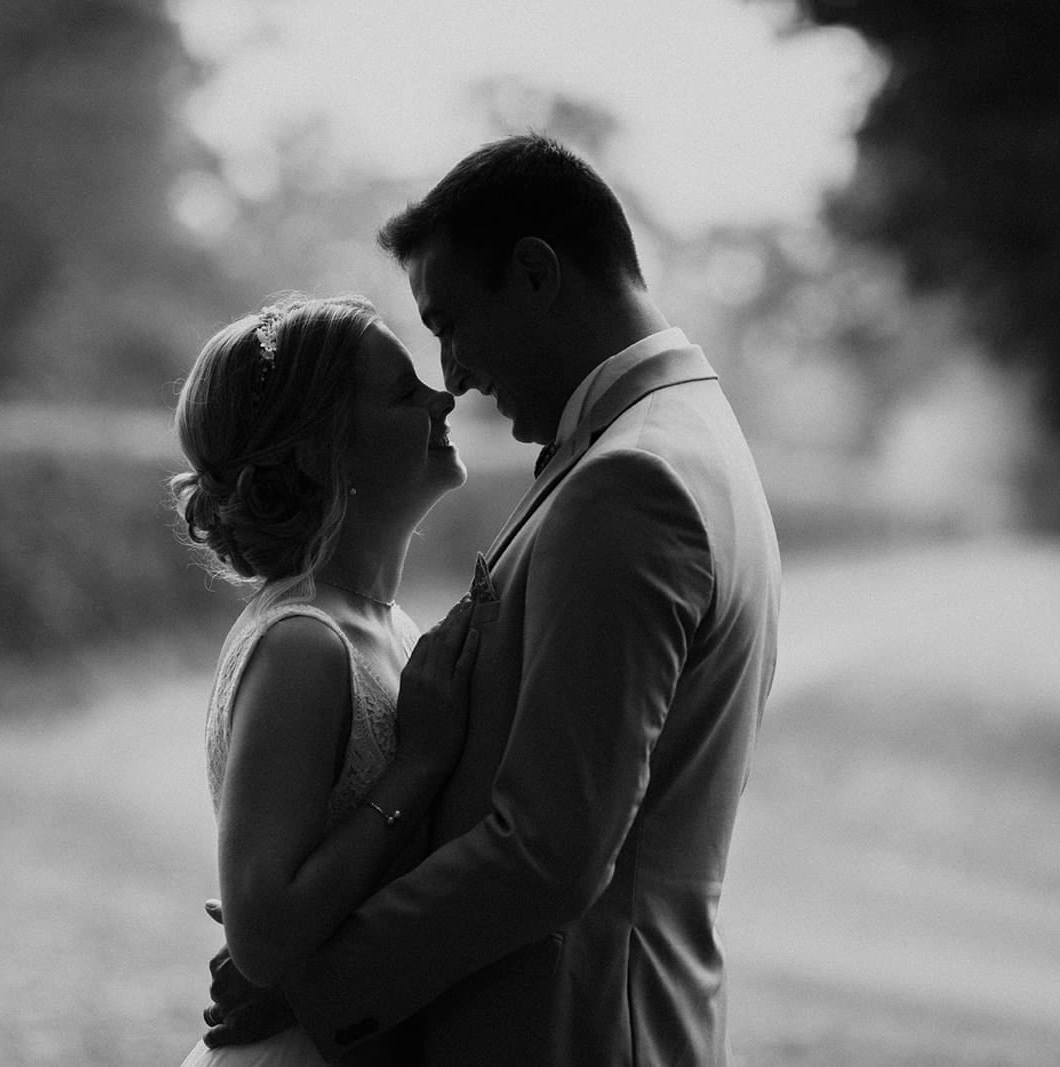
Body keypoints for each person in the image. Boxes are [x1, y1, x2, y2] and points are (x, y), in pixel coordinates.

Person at [202, 135, 782, 1065]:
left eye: (451, 322)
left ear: (537, 272)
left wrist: (316, 979)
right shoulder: (678, 441)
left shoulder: (630, 481)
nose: (454, 375)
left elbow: (547, 849)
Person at [170, 293, 480, 1066]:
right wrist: (418, 762)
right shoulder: (304, 645)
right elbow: (265, 935)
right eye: (405, 393)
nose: (444, 396)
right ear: (318, 453)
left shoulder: (388, 625)